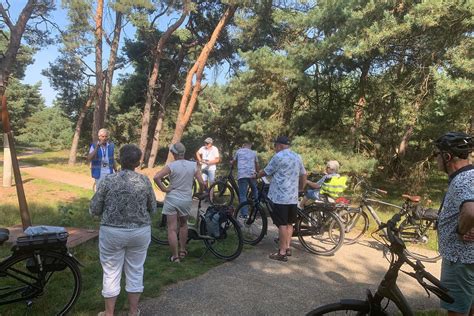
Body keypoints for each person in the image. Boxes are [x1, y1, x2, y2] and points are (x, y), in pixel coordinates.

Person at [90, 144, 157, 316]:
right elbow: (153, 209)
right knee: (135, 270)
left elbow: (95, 209)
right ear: (137, 162)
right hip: (139, 232)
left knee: (111, 272)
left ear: (120, 160)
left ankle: (109, 313)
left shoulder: (108, 180)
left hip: (112, 232)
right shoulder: (144, 181)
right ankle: (133, 312)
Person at [433, 131, 474, 316]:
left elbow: (471, 211)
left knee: (457, 313)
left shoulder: (461, 180)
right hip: (469, 258)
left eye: (437, 155)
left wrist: (460, 230)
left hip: (459, 260)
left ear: (447, 156)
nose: (436, 160)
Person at [255, 136, 306, 262]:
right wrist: (301, 189)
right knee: (290, 223)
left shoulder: (278, 157)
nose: (275, 149)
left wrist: (255, 175)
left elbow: (266, 171)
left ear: (279, 145)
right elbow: (304, 174)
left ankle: (281, 252)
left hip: (280, 197)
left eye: (275, 146)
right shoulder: (297, 156)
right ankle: (287, 247)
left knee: (282, 224)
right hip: (292, 197)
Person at [154, 142, 206, 262]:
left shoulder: (172, 166)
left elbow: (156, 177)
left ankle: (175, 256)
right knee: (183, 225)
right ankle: (183, 250)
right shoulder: (193, 165)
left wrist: (164, 189)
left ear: (173, 153)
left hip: (172, 198)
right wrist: (199, 192)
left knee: (171, 228)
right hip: (185, 199)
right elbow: (202, 183)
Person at [231, 141, 260, 217]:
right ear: (250, 146)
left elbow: (233, 162)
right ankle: (258, 210)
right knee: (255, 191)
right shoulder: (254, 153)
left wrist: (231, 163)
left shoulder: (238, 151)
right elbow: (257, 164)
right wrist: (258, 174)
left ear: (243, 145)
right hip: (252, 175)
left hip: (242, 175)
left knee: (243, 195)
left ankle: (244, 214)